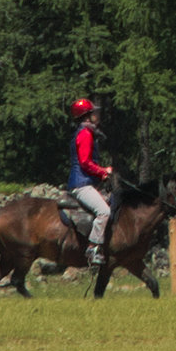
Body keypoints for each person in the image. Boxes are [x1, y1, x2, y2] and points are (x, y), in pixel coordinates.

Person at [63, 95, 114, 266]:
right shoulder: (85, 134)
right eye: (93, 113)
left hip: (85, 182)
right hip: (81, 184)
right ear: (86, 116)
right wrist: (103, 171)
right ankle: (92, 249)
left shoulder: (86, 132)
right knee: (104, 212)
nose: (96, 116)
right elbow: (85, 162)